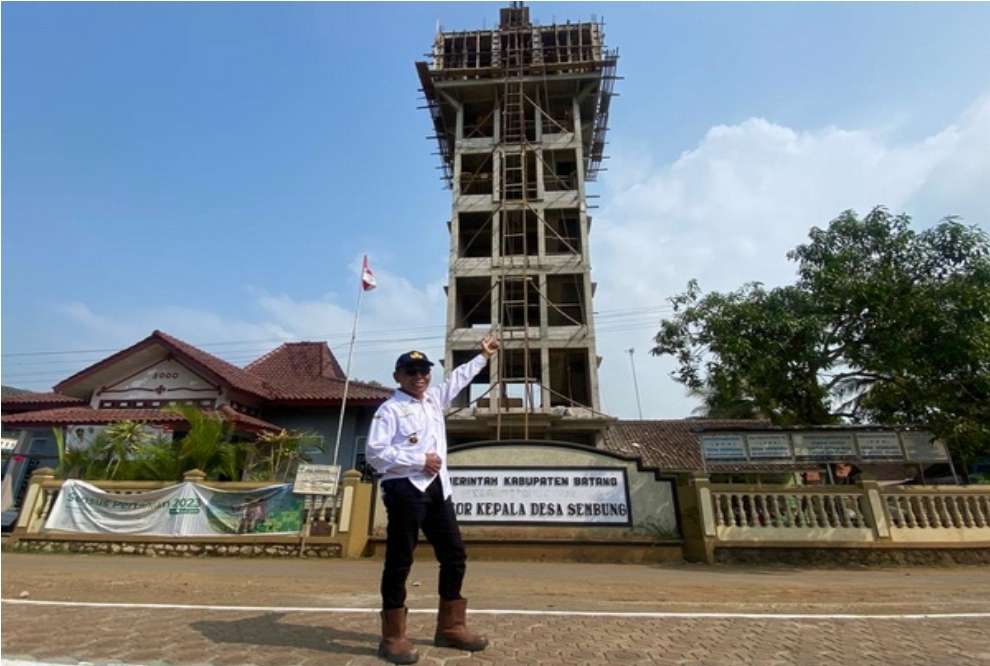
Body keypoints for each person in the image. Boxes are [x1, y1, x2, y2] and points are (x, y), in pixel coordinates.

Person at [366, 335, 499, 665]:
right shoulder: (389, 410)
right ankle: (393, 636)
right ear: (398, 376)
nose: (419, 377)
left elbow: (458, 378)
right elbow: (374, 453)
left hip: (439, 488)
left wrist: (483, 356)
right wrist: (418, 461)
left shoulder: (433, 400)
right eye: (411, 372)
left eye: (424, 371)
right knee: (400, 561)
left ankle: (451, 627)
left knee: (455, 555)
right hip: (405, 488)